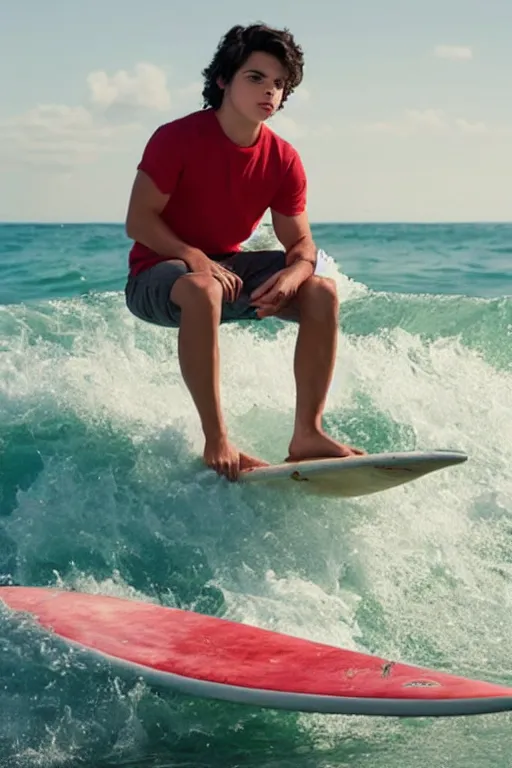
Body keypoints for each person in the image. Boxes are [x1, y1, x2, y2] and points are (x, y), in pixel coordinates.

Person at [124, 22, 364, 481]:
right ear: (223, 81)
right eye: (256, 78)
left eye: (279, 84)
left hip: (227, 274)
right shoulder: (176, 138)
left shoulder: (283, 158)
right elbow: (139, 222)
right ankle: (217, 441)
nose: (270, 92)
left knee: (321, 293)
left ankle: (307, 434)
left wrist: (297, 272)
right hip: (158, 277)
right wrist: (195, 257)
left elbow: (301, 242)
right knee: (201, 287)